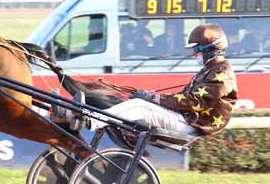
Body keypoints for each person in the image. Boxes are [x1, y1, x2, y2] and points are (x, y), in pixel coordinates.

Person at [75, 23, 237, 135]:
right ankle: (72, 115)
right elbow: (185, 99)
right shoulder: (209, 69)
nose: (193, 53)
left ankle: (92, 122)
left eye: (196, 49)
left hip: (193, 124)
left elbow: (193, 102)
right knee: (137, 102)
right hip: (187, 118)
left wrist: (154, 98)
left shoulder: (221, 72)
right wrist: (152, 97)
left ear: (210, 49)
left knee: (139, 106)